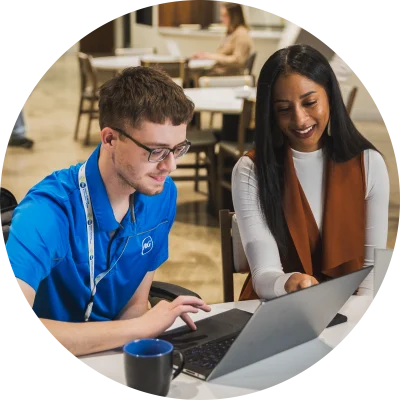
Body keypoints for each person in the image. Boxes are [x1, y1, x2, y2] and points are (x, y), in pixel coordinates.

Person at [5, 66, 211, 357]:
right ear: (110, 139)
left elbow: (135, 304)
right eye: (156, 151)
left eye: (178, 149)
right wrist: (141, 328)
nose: (170, 166)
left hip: (113, 357)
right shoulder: (48, 211)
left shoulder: (161, 194)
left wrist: (141, 339)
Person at [231, 44, 390, 301]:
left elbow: (373, 273)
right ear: (270, 113)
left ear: (330, 95)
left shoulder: (369, 164)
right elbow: (264, 275)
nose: (300, 119)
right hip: (276, 307)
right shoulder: (251, 171)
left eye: (310, 102)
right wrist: (289, 282)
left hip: (351, 305)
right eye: (284, 109)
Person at [192, 2, 254, 76]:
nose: (221, 19)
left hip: (229, 75)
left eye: (225, 15)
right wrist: (206, 55)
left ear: (234, 16)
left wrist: (211, 57)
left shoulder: (241, 34)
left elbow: (238, 60)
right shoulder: (231, 32)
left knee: (194, 75)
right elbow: (223, 54)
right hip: (222, 71)